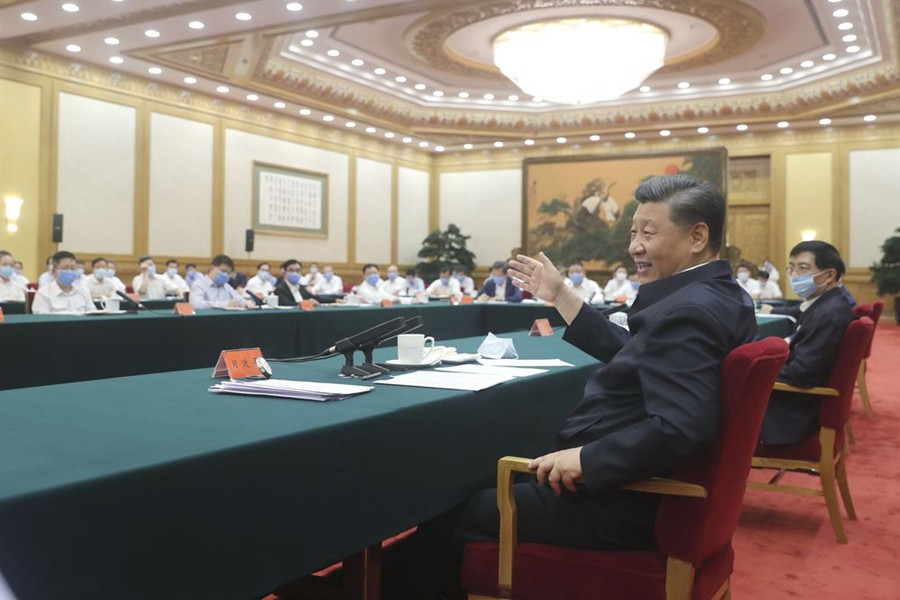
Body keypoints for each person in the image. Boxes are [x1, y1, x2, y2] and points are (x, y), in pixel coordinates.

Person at [382, 174, 757, 598]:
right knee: (479, 480)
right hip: (643, 485)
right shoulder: (720, 294)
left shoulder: (688, 310)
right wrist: (561, 294)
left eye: (648, 233)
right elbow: (639, 355)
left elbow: (680, 426)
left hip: (622, 499)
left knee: (448, 510)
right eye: (633, 233)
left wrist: (587, 458)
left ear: (697, 236)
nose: (635, 246)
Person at [758, 241, 855, 445]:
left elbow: (801, 373)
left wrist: (754, 371)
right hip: (800, 403)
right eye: (791, 268)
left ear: (829, 275)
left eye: (803, 268)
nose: (794, 275)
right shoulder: (826, 303)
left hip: (794, 413)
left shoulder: (830, 314)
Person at [189, 255, 254, 310]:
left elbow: (239, 299)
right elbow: (196, 304)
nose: (225, 275)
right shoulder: (199, 284)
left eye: (228, 273)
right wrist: (224, 305)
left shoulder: (226, 285)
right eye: (223, 271)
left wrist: (245, 303)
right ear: (212, 268)